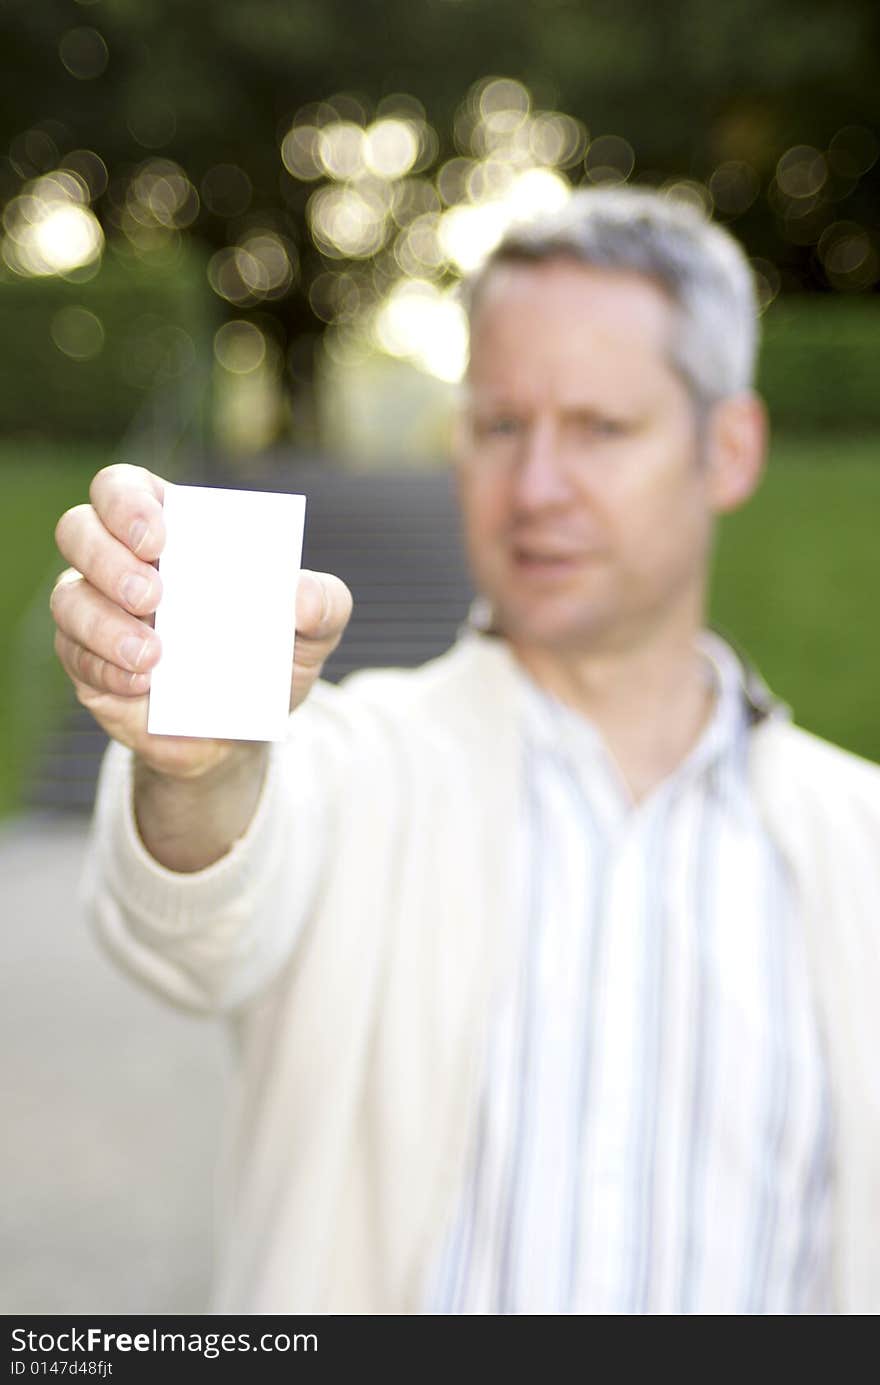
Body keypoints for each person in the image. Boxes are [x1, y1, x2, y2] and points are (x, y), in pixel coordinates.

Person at [51, 188, 880, 1316]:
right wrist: (196, 769)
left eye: (599, 427)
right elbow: (199, 914)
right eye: (498, 424)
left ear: (727, 449)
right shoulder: (346, 761)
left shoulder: (858, 844)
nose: (536, 486)